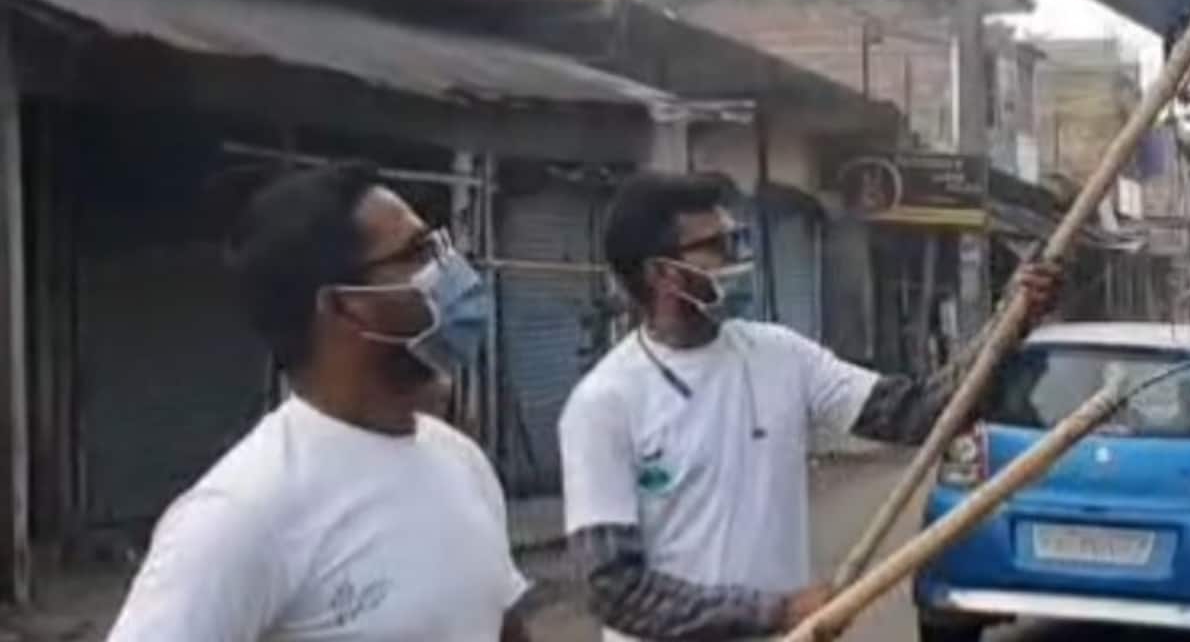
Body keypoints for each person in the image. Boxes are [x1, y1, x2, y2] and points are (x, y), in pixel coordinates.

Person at [561, 173, 1062, 642]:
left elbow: (922, 412)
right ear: (662, 274)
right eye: (717, 246)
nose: (741, 257)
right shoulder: (605, 404)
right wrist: (773, 613)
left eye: (738, 239)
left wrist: (1011, 322)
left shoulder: (778, 355)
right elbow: (614, 588)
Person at [108, 163, 531, 642]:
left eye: (437, 247)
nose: (451, 270)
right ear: (339, 305)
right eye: (417, 254)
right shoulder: (241, 514)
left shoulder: (461, 461)